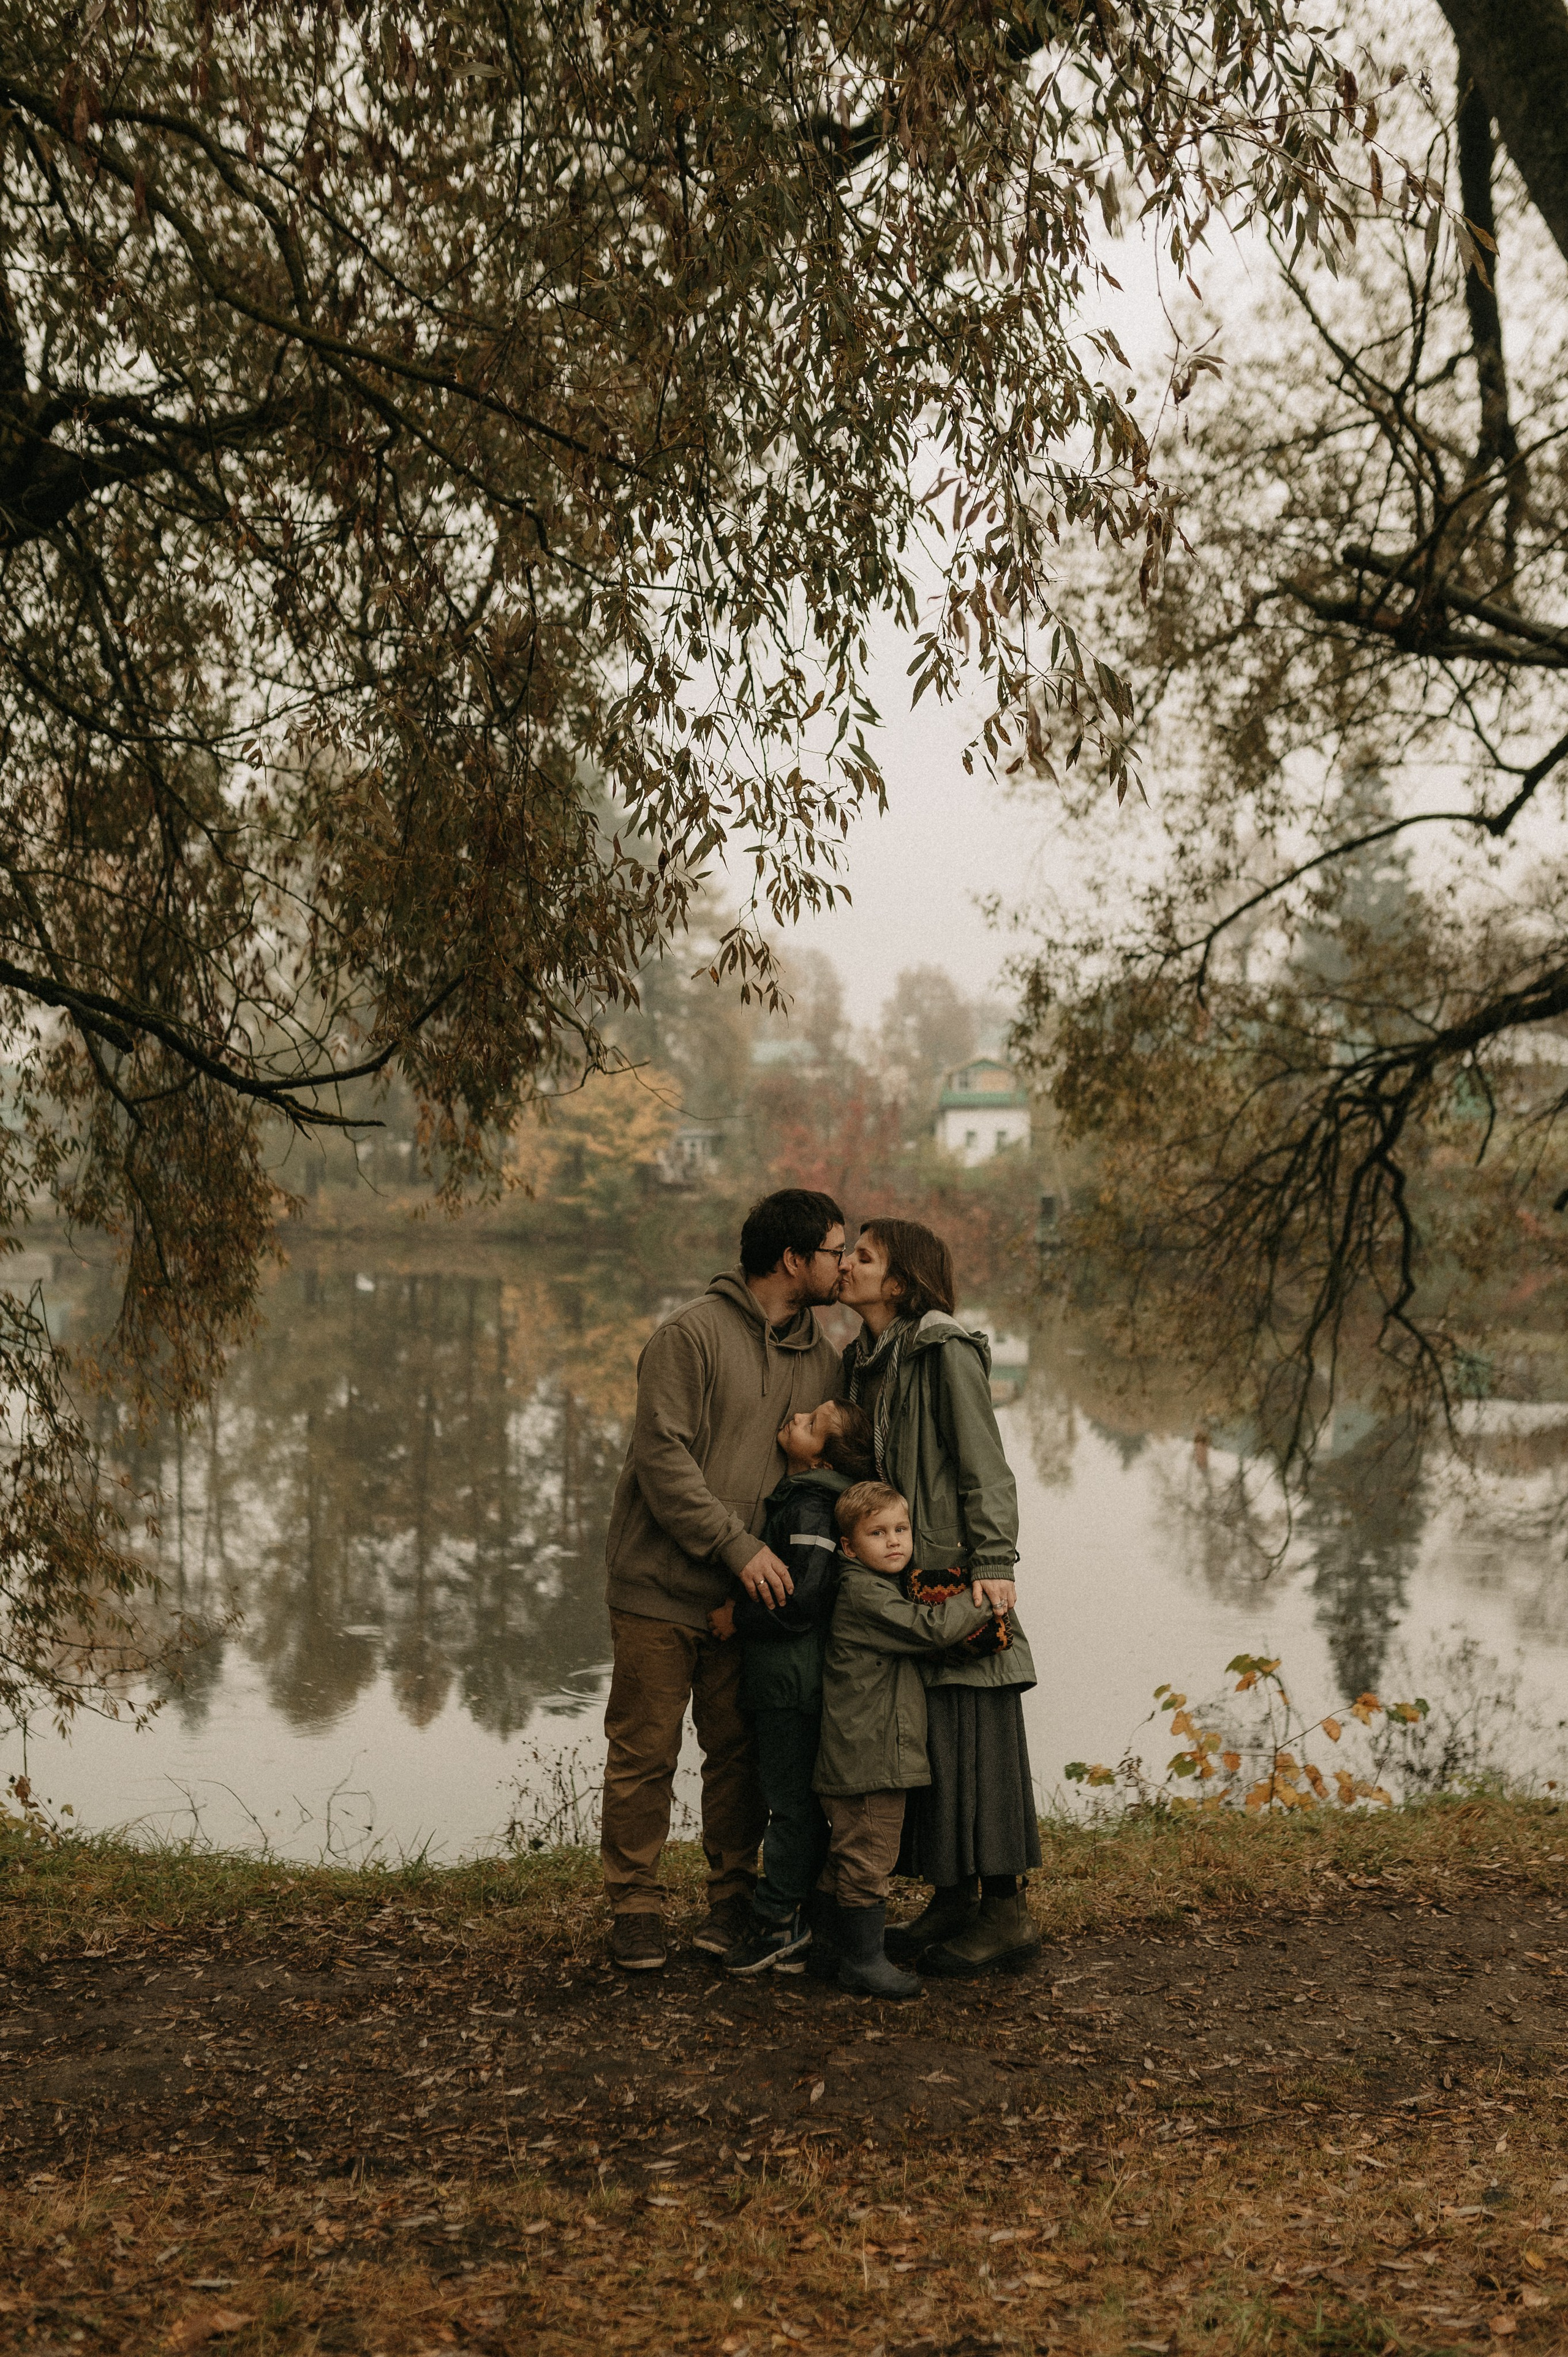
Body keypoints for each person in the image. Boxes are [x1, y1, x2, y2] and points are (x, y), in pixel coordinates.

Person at [599, 1189, 846, 1971]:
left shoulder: (826, 1361)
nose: (843, 1265)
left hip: (745, 1604)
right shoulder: (689, 1335)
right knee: (643, 1751)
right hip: (657, 1586)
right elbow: (661, 1458)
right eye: (835, 1250)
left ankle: (732, 1899)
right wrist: (736, 1546)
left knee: (738, 1754)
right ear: (792, 1259)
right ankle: (635, 1906)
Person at [837, 1218, 1043, 1975]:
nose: (846, 1264)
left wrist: (993, 1558)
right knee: (936, 1745)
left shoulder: (941, 1347)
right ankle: (953, 1900)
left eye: (863, 1256)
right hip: (902, 1578)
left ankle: (1006, 1912)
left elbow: (983, 1460)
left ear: (898, 1282)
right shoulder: (862, 1360)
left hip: (957, 1573)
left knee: (977, 1735)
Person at [704, 1397, 874, 1977]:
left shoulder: (811, 1506)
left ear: (822, 1459)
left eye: (812, 1425)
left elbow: (802, 1599)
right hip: (792, 1678)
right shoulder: (809, 1499)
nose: (797, 1418)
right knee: (798, 1800)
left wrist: (738, 1618)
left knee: (790, 1805)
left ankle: (779, 1921)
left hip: (789, 1681)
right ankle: (809, 1913)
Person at [812, 1479, 997, 1999]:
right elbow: (928, 1629)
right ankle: (863, 1961)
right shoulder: (864, 1593)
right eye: (877, 1533)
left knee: (849, 1852)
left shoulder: (871, 1584)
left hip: (861, 1751)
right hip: (869, 1756)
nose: (894, 1541)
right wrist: (983, 1600)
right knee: (868, 1856)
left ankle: (827, 1947)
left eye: (901, 1529)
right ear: (849, 1547)